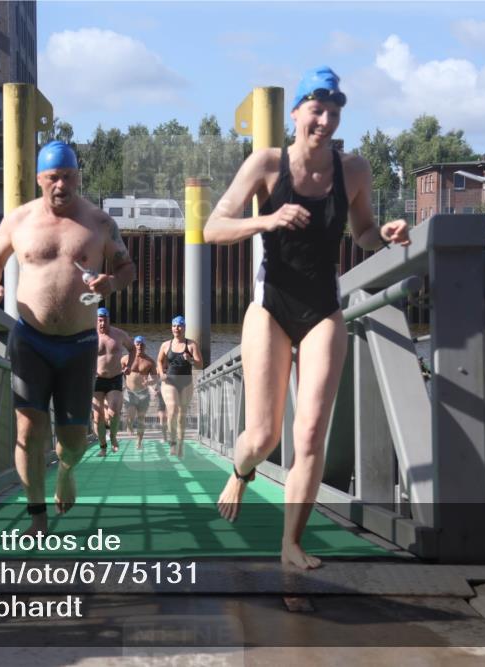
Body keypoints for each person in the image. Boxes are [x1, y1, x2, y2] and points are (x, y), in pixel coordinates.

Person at [203, 66, 410, 569]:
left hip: (324, 309)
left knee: (311, 433)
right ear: (295, 113)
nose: (325, 121)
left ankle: (291, 543)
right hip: (271, 307)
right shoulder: (267, 165)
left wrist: (384, 234)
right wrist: (268, 219)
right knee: (263, 437)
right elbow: (213, 228)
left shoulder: (354, 170)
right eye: (316, 110)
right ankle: (241, 471)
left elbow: (360, 233)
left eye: (334, 113)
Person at [0, 141, 135, 535]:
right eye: (53, 178)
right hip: (30, 338)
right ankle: (37, 514)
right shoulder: (19, 221)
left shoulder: (99, 223)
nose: (61, 185)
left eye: (68, 177)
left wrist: (112, 281)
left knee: (73, 442)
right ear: (39, 179)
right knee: (28, 431)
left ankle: (66, 471)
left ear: (78, 177)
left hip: (79, 345)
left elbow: (127, 267)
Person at [156, 315, 203, 457]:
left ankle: (181, 443)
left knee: (182, 415)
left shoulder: (191, 345)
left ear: (184, 328)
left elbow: (200, 364)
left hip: (186, 382)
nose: (177, 328)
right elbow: (158, 361)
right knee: (172, 410)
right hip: (169, 381)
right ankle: (172, 442)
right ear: (171, 328)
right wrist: (160, 373)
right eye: (174, 326)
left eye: (180, 325)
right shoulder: (165, 345)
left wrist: (191, 360)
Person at [92, 307, 136, 456]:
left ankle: (113, 436)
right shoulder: (90, 335)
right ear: (96, 321)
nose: (102, 323)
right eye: (99, 320)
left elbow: (132, 349)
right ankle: (103, 446)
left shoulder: (119, 334)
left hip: (115, 378)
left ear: (109, 320)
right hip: (97, 379)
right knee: (98, 417)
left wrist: (129, 366)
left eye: (104, 320)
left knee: (114, 412)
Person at [121, 335, 160, 450]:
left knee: (141, 418)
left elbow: (155, 378)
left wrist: (149, 382)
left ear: (145, 346)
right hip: (130, 392)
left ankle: (139, 442)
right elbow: (117, 372)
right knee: (131, 415)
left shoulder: (150, 362)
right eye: (137, 344)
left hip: (143, 393)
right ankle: (129, 424)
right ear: (134, 345)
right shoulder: (125, 359)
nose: (139, 346)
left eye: (142, 344)